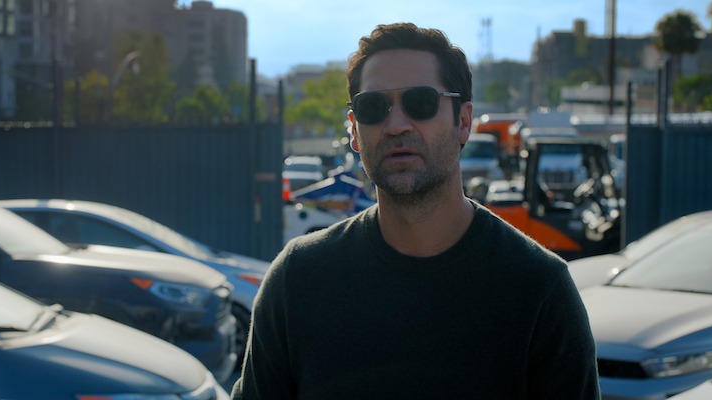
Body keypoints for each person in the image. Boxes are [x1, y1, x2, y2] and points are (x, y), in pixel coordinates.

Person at [232, 22, 600, 399]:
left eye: (420, 102)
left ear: (463, 121)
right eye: (373, 107)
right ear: (355, 132)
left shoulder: (539, 290)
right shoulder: (297, 281)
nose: (395, 124)